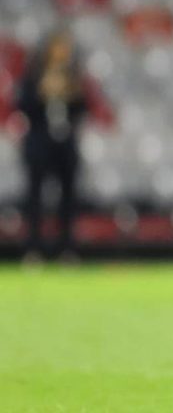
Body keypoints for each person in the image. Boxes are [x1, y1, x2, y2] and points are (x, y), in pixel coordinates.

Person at [16, 28, 88, 263]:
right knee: (35, 199)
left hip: (65, 146)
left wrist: (69, 93)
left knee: (68, 199)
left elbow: (83, 108)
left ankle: (66, 248)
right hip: (39, 144)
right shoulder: (34, 77)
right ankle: (34, 248)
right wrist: (43, 92)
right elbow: (22, 106)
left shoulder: (73, 77)